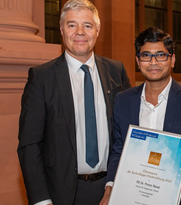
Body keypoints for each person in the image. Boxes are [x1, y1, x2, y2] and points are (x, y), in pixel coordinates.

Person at [17, 0, 131, 204]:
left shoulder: (117, 71)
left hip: (112, 189)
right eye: (72, 25)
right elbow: (29, 145)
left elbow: (128, 133)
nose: (80, 32)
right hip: (61, 193)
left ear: (97, 30)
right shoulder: (42, 77)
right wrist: (42, 201)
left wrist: (116, 184)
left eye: (87, 25)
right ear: (62, 30)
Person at [100, 27, 181, 205]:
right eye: (146, 56)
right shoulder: (123, 100)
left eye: (161, 55)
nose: (153, 62)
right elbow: (118, 151)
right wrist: (110, 188)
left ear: (172, 60)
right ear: (138, 61)